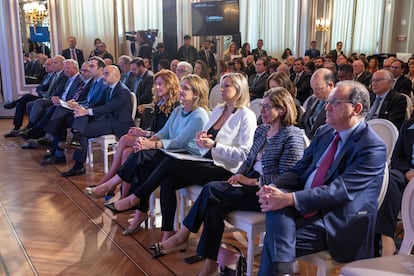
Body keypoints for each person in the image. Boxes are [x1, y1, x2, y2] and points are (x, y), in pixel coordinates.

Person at [150, 87, 305, 275]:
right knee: (214, 207)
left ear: (282, 110)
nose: (262, 111)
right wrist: (238, 176)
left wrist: (248, 181)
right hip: (248, 182)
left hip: (269, 191)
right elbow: (248, 161)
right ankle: (210, 263)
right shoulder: (263, 130)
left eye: (267, 107)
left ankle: (182, 235)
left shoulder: (292, 135)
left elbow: (287, 176)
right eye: (262, 107)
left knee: (212, 189)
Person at [257, 80, 387, 275]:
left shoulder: (371, 146)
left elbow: (339, 191)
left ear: (356, 108)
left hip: (338, 220)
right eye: (328, 101)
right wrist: (273, 188)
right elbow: (299, 169)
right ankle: (282, 271)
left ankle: (282, 270)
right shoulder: (325, 132)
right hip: (309, 207)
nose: (326, 107)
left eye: (335, 102)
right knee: (276, 213)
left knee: (274, 238)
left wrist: (289, 198)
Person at [86, 74, 209, 201]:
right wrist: (146, 140)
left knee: (133, 149)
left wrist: (150, 143)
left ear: (196, 93)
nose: (180, 90)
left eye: (185, 88)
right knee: (136, 150)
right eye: (181, 87)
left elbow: (180, 142)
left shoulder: (198, 115)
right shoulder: (179, 109)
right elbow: (163, 132)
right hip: (172, 151)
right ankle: (122, 194)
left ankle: (113, 188)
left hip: (186, 156)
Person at [95, 69, 180, 187]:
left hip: (163, 145)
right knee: (126, 152)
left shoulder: (176, 107)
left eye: (160, 84)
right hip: (154, 138)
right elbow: (156, 129)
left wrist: (146, 134)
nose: (157, 87)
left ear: (170, 85)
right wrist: (143, 132)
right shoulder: (160, 102)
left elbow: (168, 134)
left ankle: (109, 180)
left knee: (125, 139)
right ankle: (121, 194)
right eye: (156, 84)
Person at [60, 65, 135, 177]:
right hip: (107, 119)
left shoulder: (123, 91)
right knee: (81, 119)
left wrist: (87, 112)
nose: (103, 76)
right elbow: (97, 103)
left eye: (106, 74)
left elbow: (108, 108)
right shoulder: (109, 88)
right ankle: (76, 145)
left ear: (116, 76)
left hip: (117, 123)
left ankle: (78, 164)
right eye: (103, 73)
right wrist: (81, 107)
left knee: (83, 131)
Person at [376, 117, 414, 257]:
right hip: (408, 174)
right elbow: (397, 157)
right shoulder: (409, 124)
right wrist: (407, 171)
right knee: (390, 179)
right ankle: (387, 239)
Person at [4, 58, 55, 137]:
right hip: (41, 96)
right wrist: (41, 89)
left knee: (26, 97)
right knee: (20, 104)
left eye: (48, 65)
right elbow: (39, 88)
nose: (45, 66)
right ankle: (16, 128)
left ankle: (13, 103)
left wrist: (41, 89)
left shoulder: (55, 76)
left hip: (46, 99)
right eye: (45, 64)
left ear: (54, 65)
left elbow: (46, 88)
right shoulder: (46, 76)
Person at [299, 68, 335, 140]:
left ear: (330, 85)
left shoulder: (338, 104)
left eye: (318, 89)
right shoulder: (312, 100)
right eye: (313, 89)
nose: (315, 93)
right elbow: (303, 122)